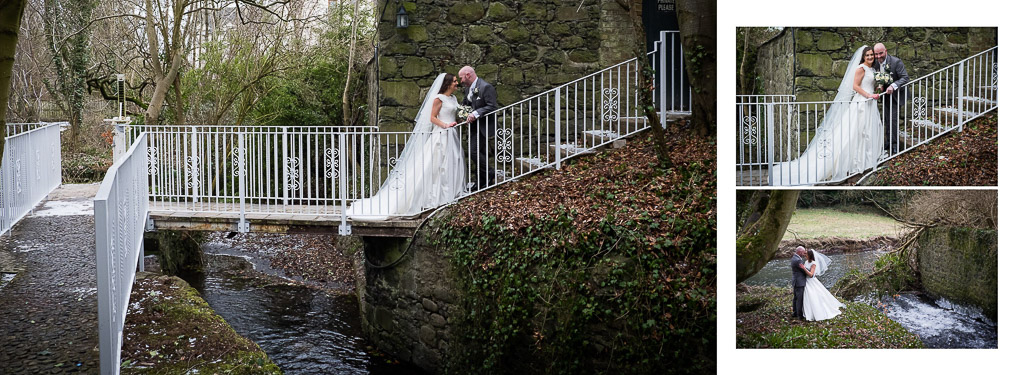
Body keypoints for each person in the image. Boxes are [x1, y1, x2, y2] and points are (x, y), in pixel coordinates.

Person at [346, 73, 466, 220]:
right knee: (435, 166)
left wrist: (463, 119)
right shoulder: (438, 99)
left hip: (452, 134)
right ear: (447, 84)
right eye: (454, 81)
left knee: (451, 163)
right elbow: (432, 118)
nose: (457, 83)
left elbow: (454, 115)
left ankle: (448, 195)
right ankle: (432, 199)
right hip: (440, 135)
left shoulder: (453, 99)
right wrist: (445, 125)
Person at [770, 45, 884, 185]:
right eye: (867, 55)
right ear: (863, 57)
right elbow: (855, 86)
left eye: (872, 55)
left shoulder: (874, 69)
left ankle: (867, 159)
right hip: (861, 102)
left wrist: (880, 86)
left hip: (871, 103)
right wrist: (869, 95)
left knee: (867, 131)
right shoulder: (861, 68)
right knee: (856, 132)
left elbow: (874, 83)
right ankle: (854, 163)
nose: (870, 57)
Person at [458, 66, 499, 190]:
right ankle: (480, 182)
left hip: (483, 125)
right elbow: (466, 104)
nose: (461, 81)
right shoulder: (467, 89)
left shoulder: (486, 87)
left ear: (468, 75)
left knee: (473, 152)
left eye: (461, 78)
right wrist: (462, 114)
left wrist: (475, 114)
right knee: (477, 152)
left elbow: (492, 106)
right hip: (473, 126)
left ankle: (490, 172)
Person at [872, 43, 910, 156]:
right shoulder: (875, 63)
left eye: (880, 53)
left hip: (896, 95)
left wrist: (893, 85)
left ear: (886, 51)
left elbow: (905, 78)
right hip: (885, 96)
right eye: (876, 54)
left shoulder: (896, 62)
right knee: (887, 119)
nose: (878, 56)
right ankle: (888, 142)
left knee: (893, 120)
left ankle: (895, 145)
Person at [799, 249, 846, 321]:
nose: (805, 255)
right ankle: (806, 312)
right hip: (805, 281)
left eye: (806, 254)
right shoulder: (806, 262)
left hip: (811, 281)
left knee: (813, 296)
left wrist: (804, 268)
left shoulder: (813, 263)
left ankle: (815, 312)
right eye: (805, 254)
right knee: (806, 296)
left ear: (810, 255)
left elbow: (811, 275)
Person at [791, 247, 809, 319]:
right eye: (803, 252)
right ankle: (799, 315)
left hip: (796, 281)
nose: (804, 254)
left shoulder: (794, 257)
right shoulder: (798, 260)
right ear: (799, 252)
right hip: (799, 282)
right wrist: (811, 273)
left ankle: (795, 313)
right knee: (799, 299)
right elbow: (803, 271)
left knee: (795, 298)